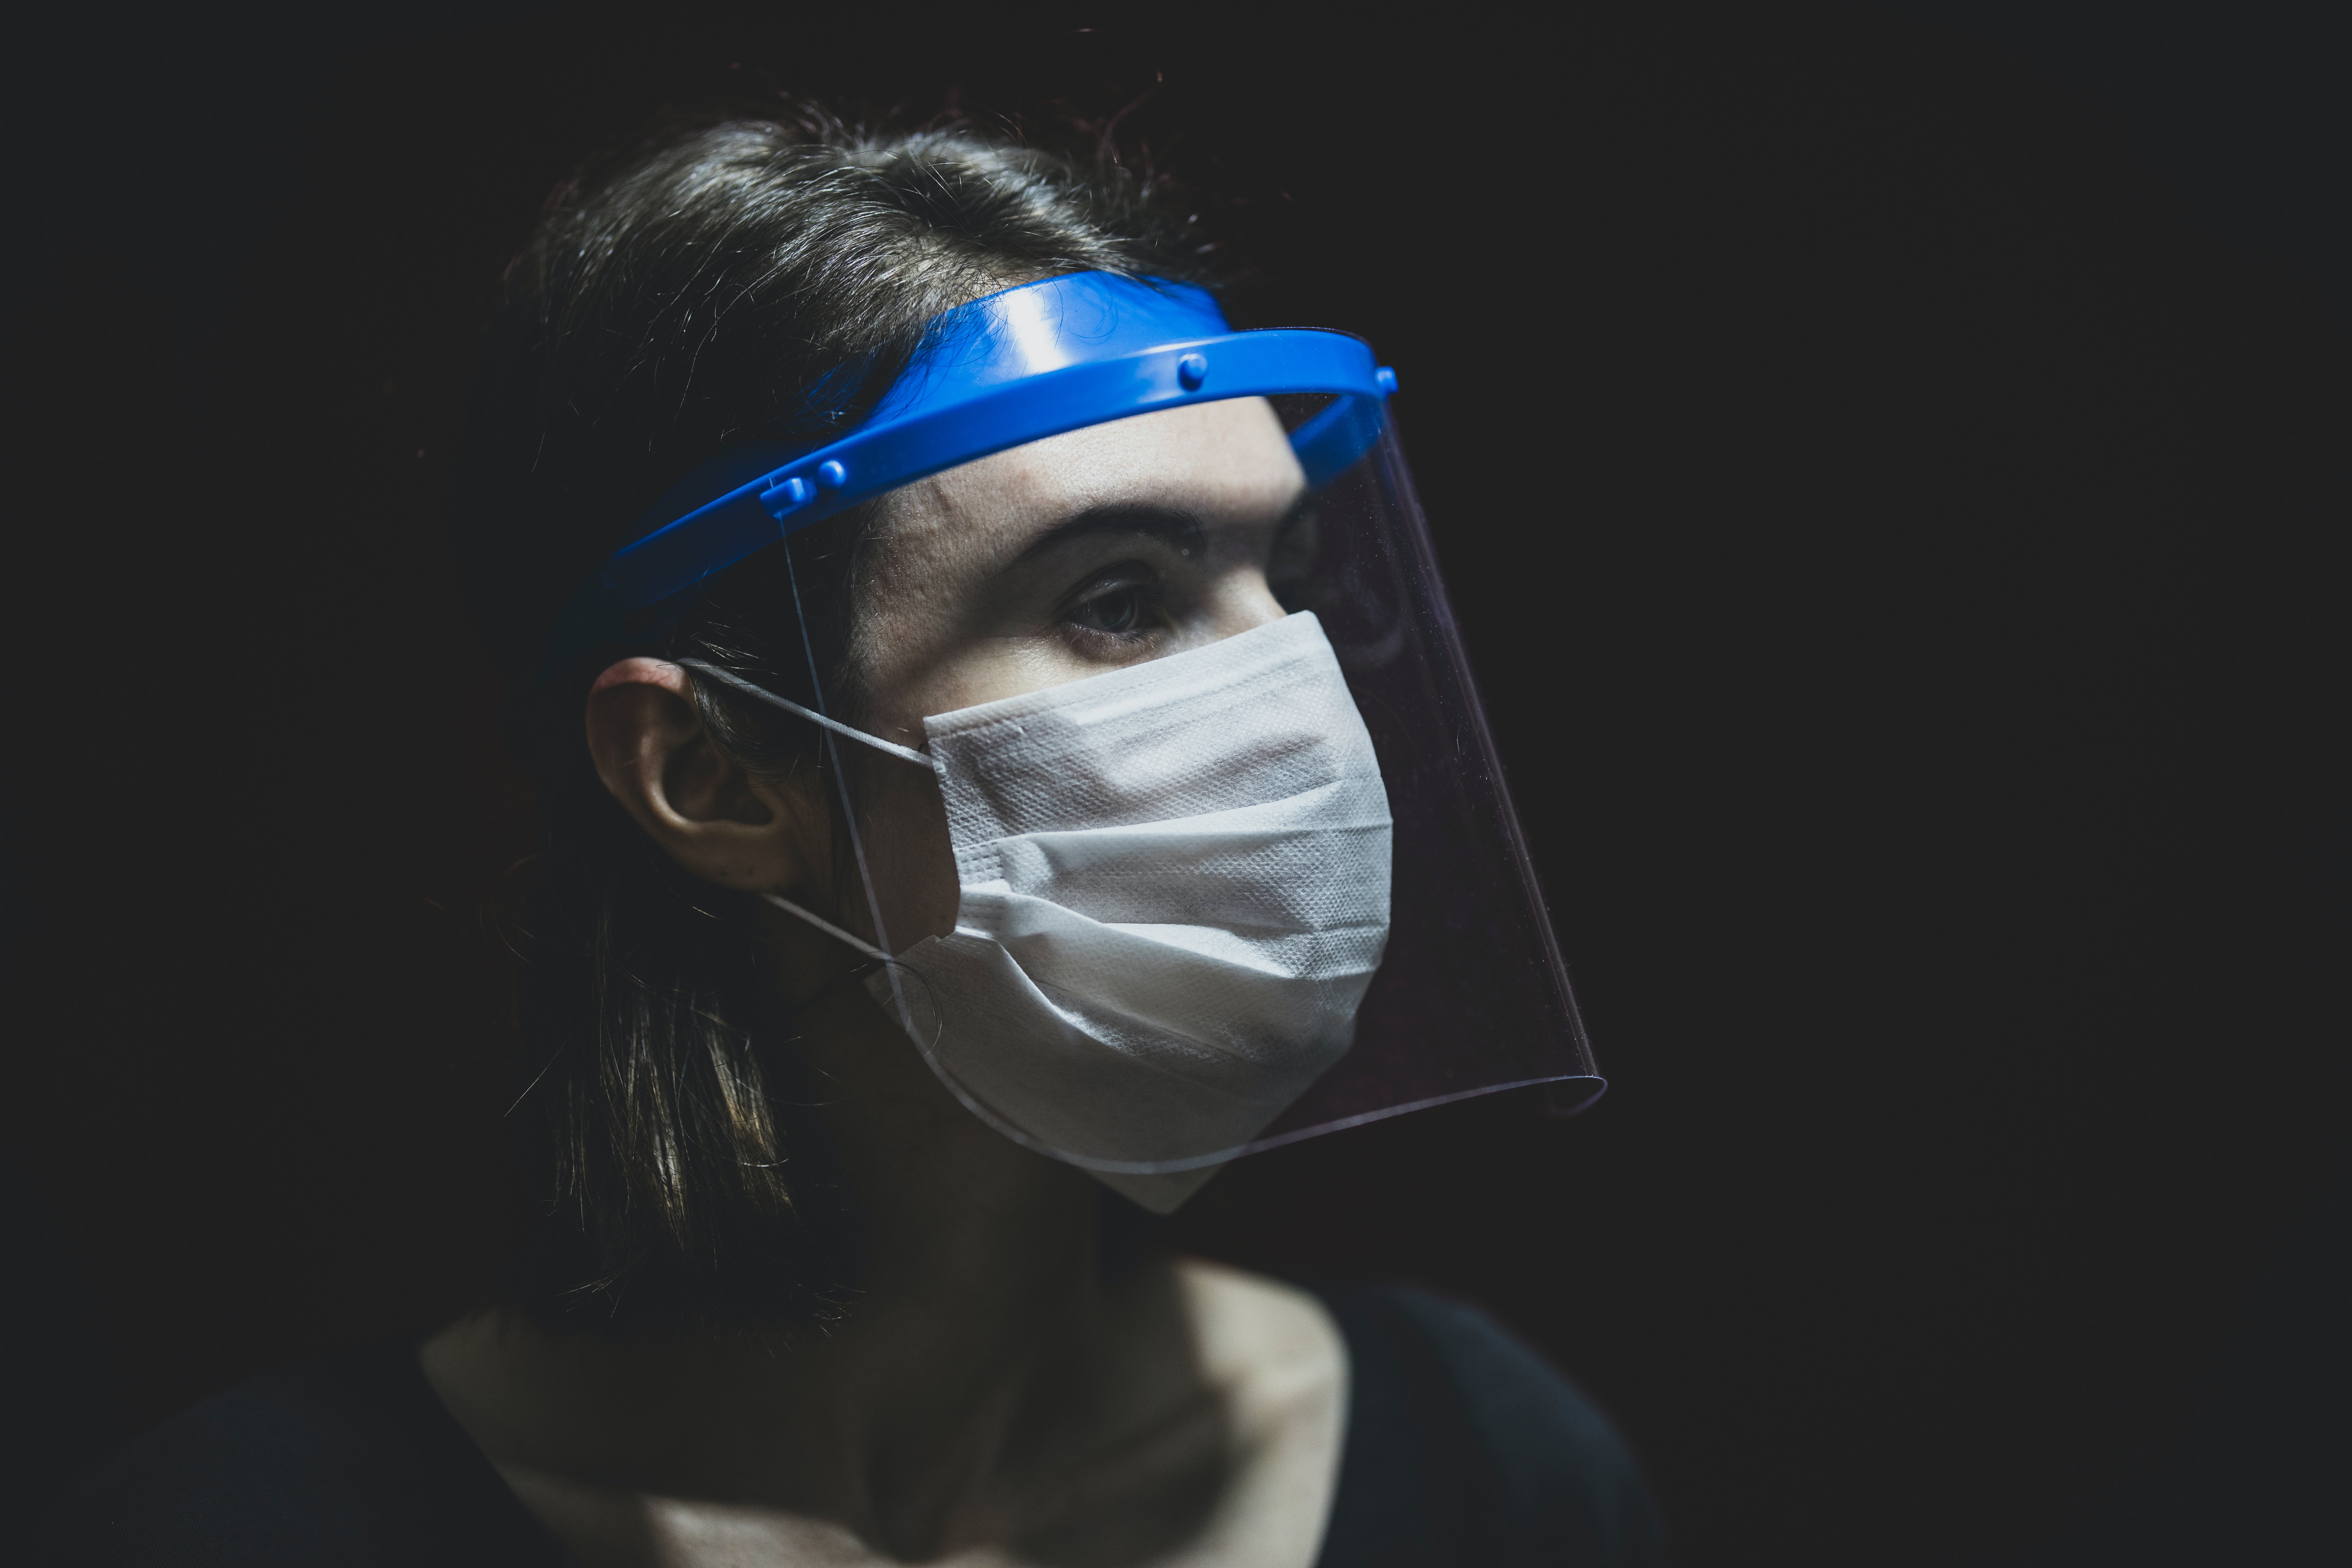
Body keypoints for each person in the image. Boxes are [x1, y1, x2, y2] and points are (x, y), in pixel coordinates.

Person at [51, 118, 1666, 1567]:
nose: (1294, 708)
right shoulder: (249, 1533)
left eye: (1285, 585)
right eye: (1119, 600)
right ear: (711, 775)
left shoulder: (1488, 1471)